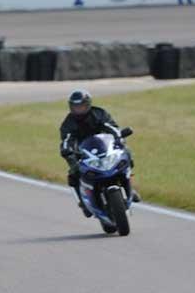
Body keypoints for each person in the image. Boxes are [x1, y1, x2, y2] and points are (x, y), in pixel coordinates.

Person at [59, 89, 139, 217]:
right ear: (71, 107)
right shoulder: (68, 123)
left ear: (88, 104)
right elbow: (67, 139)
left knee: (126, 153)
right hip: (84, 153)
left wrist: (118, 136)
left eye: (81, 106)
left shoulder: (99, 113)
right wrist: (66, 149)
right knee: (73, 174)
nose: (78, 110)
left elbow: (111, 126)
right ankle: (82, 202)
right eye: (76, 107)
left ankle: (130, 187)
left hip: (105, 147)